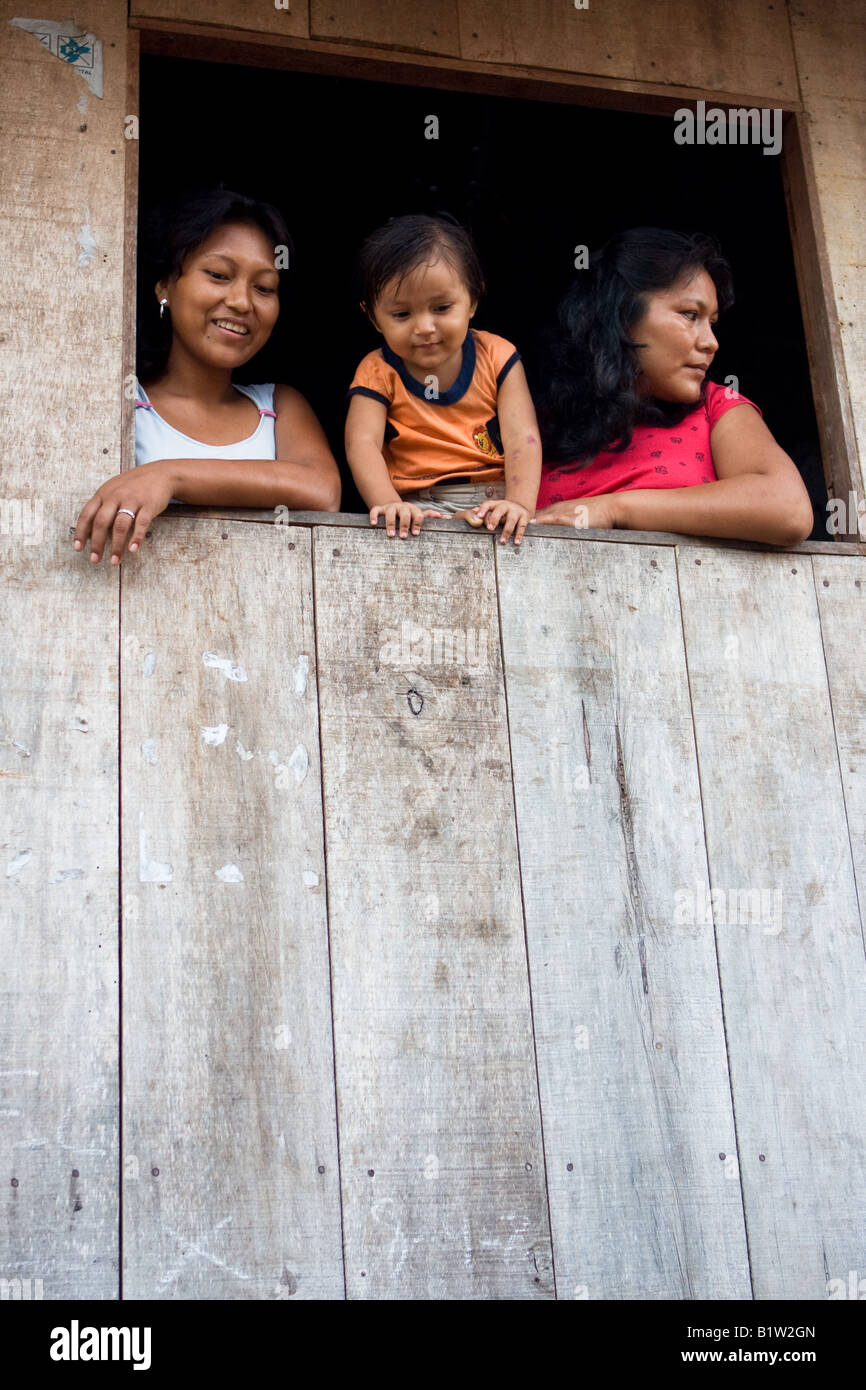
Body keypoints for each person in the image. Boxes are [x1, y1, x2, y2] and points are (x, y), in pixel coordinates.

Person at [73, 189, 341, 565]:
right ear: (164, 285)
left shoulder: (279, 405)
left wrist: (169, 477)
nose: (242, 302)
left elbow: (321, 489)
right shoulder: (123, 406)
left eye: (263, 287)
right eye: (218, 275)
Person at [530, 228, 814, 547]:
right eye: (690, 315)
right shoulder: (537, 424)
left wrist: (614, 508)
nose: (712, 343)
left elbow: (788, 508)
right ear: (622, 314)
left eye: (712, 322)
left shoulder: (717, 407)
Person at [345, 213, 541, 546]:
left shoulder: (497, 356)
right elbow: (362, 445)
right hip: (416, 508)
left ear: (473, 299)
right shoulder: (377, 370)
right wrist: (389, 502)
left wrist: (520, 504)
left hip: (496, 499)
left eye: (441, 307)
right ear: (373, 317)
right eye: (402, 314)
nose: (424, 327)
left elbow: (523, 436)